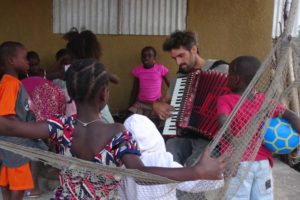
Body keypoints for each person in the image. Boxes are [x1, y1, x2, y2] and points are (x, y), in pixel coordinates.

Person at [0, 59, 226, 199]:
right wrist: (196, 172)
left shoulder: (60, 126)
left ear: (70, 92)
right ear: (104, 95)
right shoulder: (117, 133)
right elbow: (141, 175)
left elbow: (8, 125)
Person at [216, 56, 300, 200]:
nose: (226, 78)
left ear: (236, 79)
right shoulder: (265, 101)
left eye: (228, 75)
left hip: (238, 164)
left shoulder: (225, 100)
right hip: (263, 164)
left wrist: (236, 147)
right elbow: (291, 116)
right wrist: (295, 143)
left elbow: (223, 123)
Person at [153, 30, 228, 166]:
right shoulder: (181, 77)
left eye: (181, 56)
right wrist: (156, 105)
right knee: (167, 154)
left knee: (193, 165)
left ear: (194, 49)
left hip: (212, 139)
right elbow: (164, 102)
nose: (178, 62)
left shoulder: (222, 69)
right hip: (186, 134)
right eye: (175, 58)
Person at [120, 114, 224, 200]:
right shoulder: (163, 162)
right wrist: (217, 174)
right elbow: (191, 184)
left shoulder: (125, 164)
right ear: (154, 135)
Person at [0, 41, 45, 200]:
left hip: (9, 145)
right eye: (25, 58)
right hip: (15, 145)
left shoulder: (9, 82)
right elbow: (6, 116)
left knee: (6, 185)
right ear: (12, 61)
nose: (27, 62)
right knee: (17, 188)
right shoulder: (11, 84)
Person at [63, 28, 116, 123]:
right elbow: (116, 79)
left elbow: (47, 74)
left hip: (84, 118)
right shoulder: (96, 69)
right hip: (93, 117)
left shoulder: (70, 71)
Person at [129, 46, 169, 125]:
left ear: (154, 58)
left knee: (158, 123)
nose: (146, 58)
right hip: (141, 103)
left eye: (149, 55)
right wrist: (130, 104)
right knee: (132, 120)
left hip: (156, 103)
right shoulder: (138, 70)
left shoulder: (160, 69)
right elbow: (135, 88)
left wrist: (167, 100)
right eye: (144, 56)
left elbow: (169, 85)